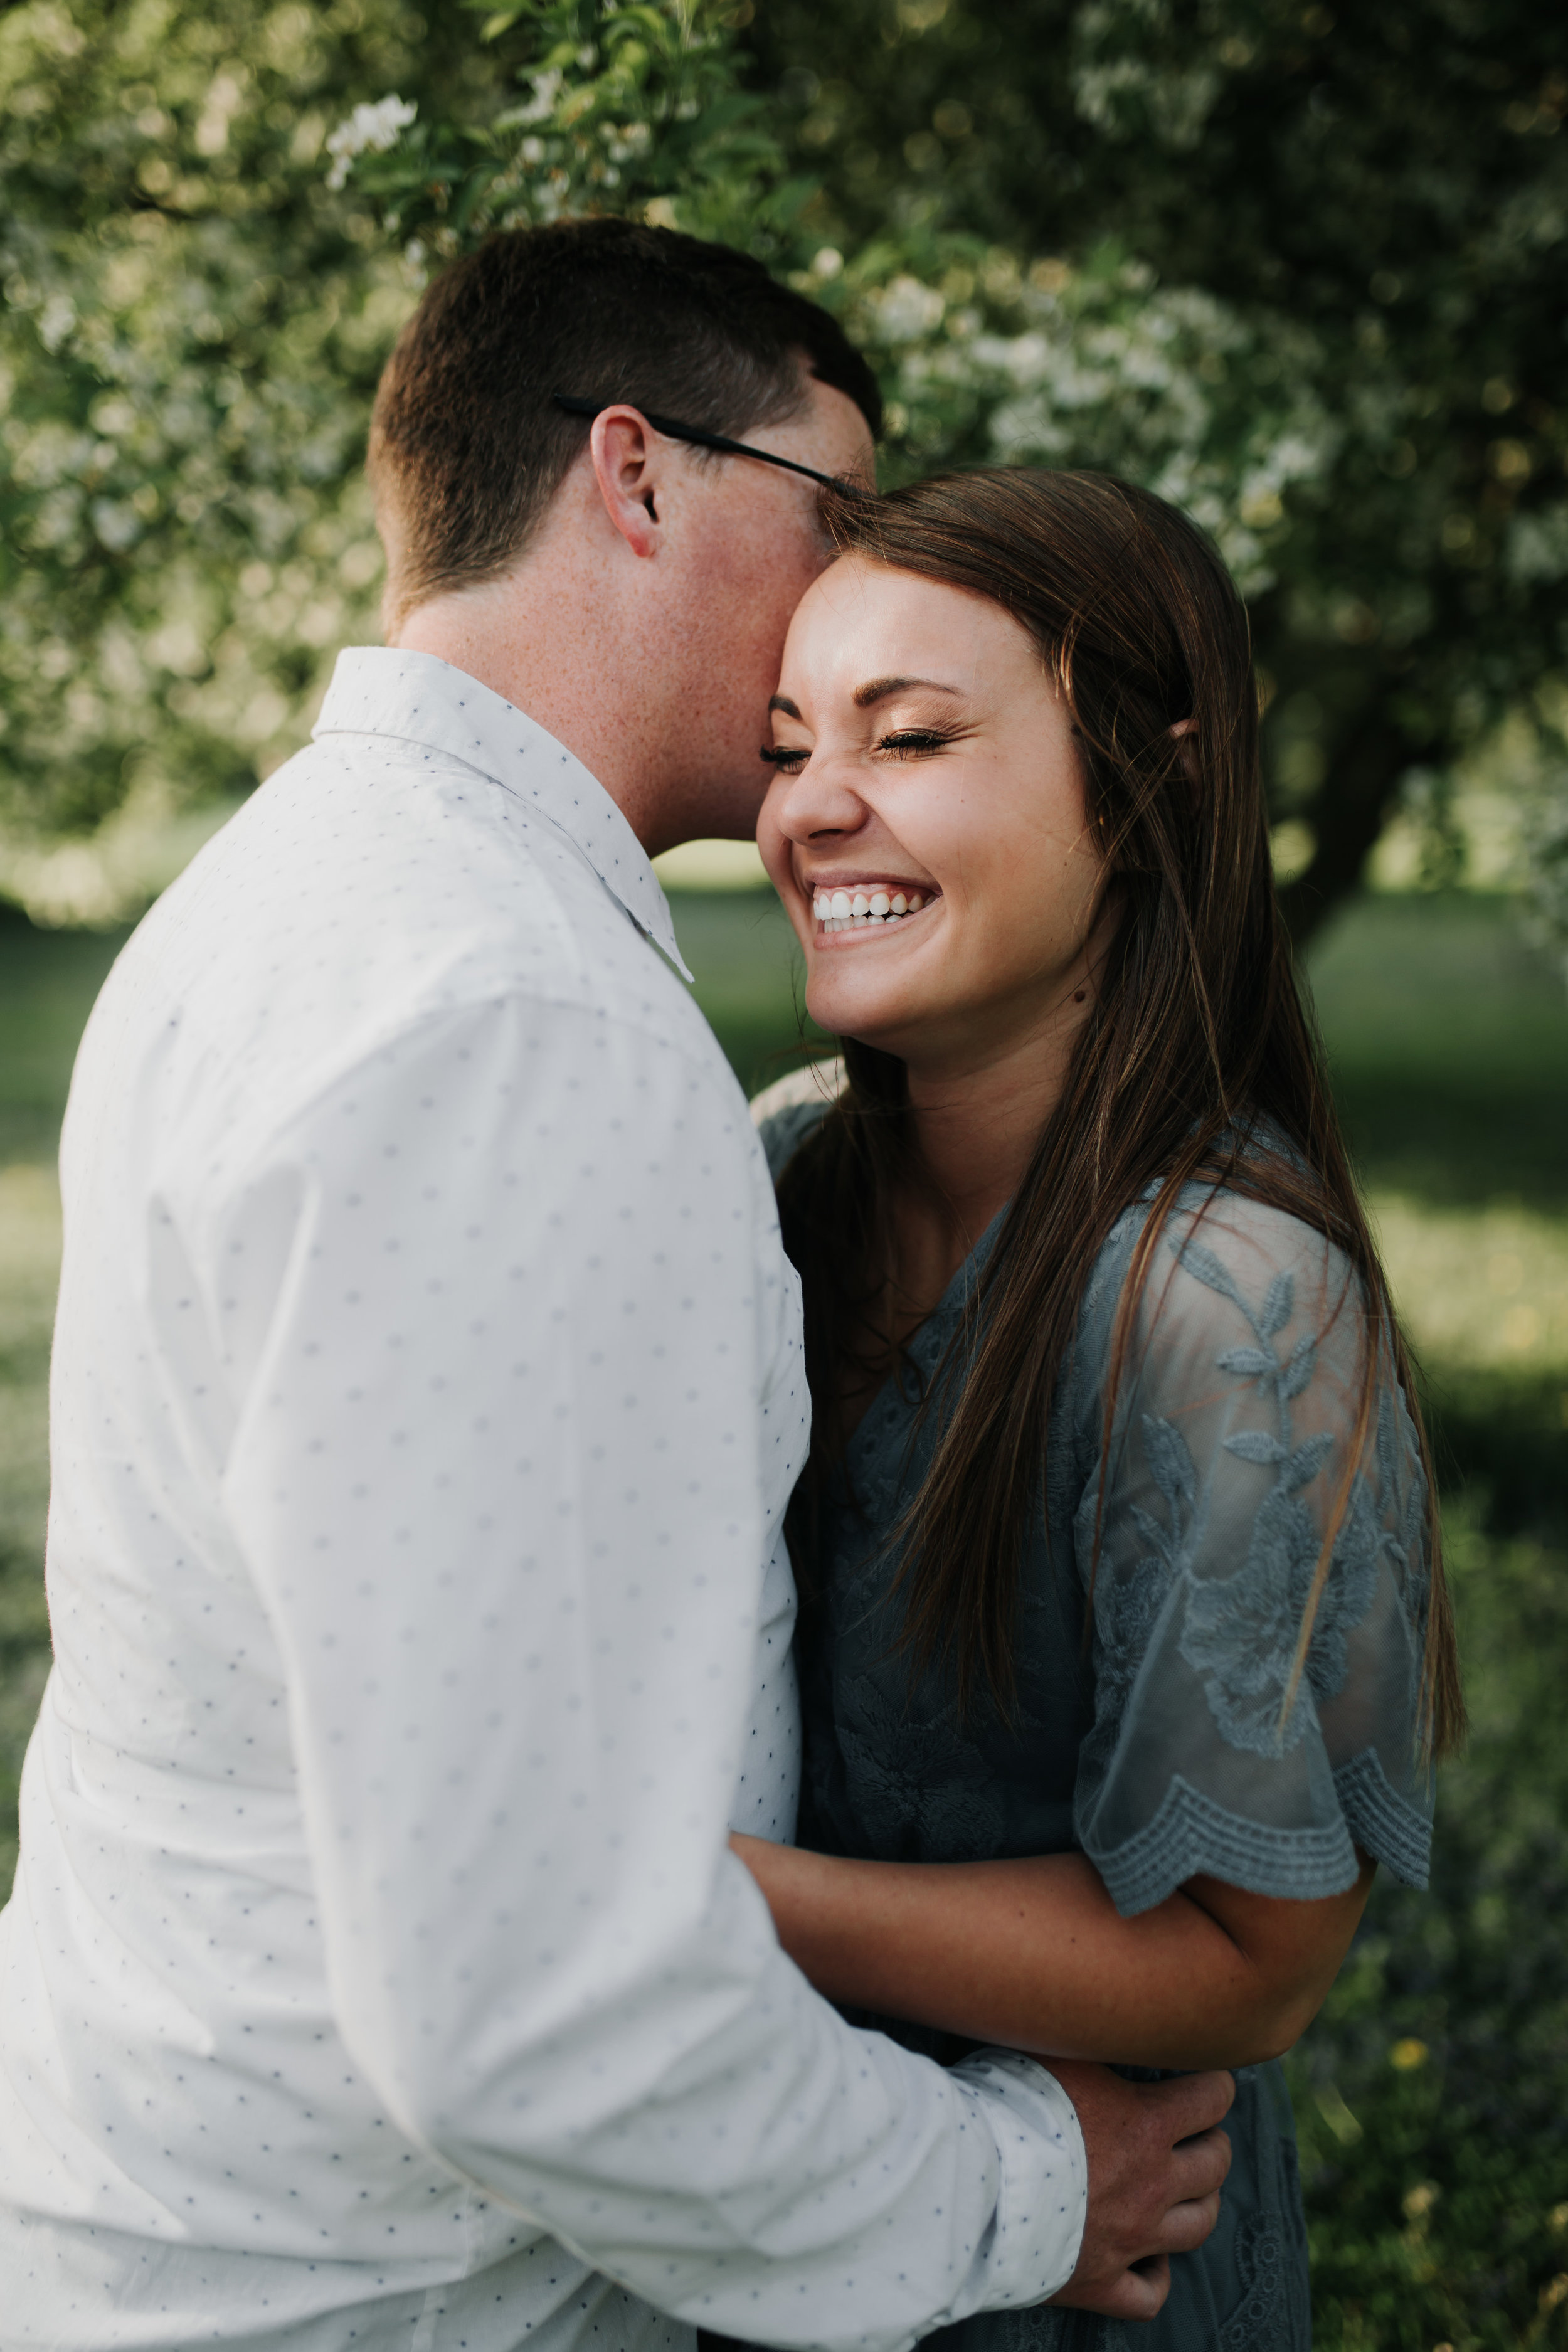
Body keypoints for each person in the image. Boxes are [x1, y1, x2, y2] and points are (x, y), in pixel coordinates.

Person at [0, 225, 1234, 2350]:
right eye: (835, 514)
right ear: (637, 475)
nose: (854, 597)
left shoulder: (289, 893)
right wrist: (1023, 2189)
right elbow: (527, 2000)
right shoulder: (505, 1014)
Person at [741, 467, 1465, 2349]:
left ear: (1146, 786)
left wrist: (711, 1905)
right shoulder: (768, 1174)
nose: (814, 808)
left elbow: (1242, 1963)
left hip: (1093, 2272)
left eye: (909, 737)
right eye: (786, 741)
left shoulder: (1221, 1305)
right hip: (769, 2215)